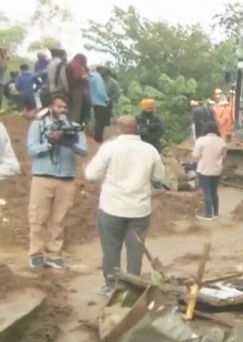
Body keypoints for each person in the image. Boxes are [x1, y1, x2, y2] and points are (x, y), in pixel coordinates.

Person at [85, 115, 165, 292]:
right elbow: (160, 176)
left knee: (111, 249)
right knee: (135, 249)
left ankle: (112, 286)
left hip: (112, 207)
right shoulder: (149, 150)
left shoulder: (110, 148)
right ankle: (132, 287)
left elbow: (91, 175)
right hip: (139, 209)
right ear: (137, 128)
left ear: (118, 129)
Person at [26, 94, 89, 269]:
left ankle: (54, 254)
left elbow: (84, 151)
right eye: (59, 107)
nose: (62, 110)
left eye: (64, 108)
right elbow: (31, 149)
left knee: (59, 219)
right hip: (42, 176)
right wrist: (50, 143)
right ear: (51, 107)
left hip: (66, 179)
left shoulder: (75, 128)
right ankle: (36, 253)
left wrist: (69, 142)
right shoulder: (38, 125)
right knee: (38, 217)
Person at [192, 122, 226, 220]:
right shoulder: (221, 141)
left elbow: (195, 155)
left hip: (204, 170)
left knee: (207, 191)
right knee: (214, 191)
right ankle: (215, 213)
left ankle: (208, 214)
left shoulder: (201, 140)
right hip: (217, 170)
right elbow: (223, 155)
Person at [66, 53, 90, 126]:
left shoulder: (70, 65)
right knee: (76, 111)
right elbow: (77, 78)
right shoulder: (77, 67)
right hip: (77, 91)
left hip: (70, 90)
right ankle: (74, 127)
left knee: (71, 110)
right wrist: (85, 76)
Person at [88, 67, 110, 142]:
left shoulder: (91, 76)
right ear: (101, 70)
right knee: (100, 121)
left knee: (96, 119)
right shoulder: (98, 78)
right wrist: (106, 98)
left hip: (92, 100)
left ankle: (95, 135)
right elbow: (100, 90)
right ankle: (98, 137)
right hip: (100, 102)